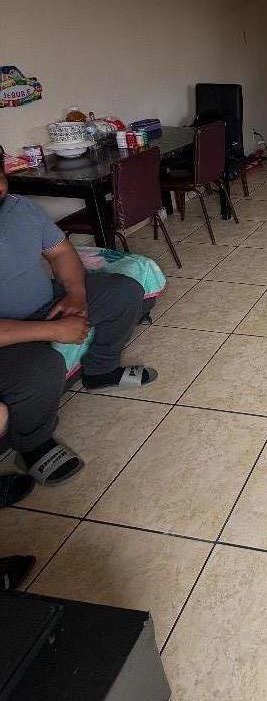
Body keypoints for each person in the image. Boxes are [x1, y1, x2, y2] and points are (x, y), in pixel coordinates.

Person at [0, 172, 157, 486]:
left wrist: (76, 294)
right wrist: (54, 332)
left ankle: (100, 371)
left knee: (123, 292)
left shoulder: (20, 208)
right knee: (40, 369)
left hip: (49, 304)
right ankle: (33, 446)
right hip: (9, 335)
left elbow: (60, 252)